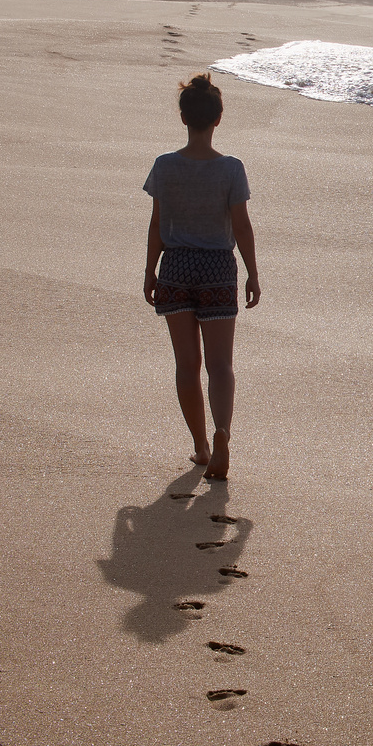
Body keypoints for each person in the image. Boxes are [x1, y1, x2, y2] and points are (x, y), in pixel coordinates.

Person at [143, 74, 260, 481]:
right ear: (218, 119)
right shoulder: (231, 169)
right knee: (221, 365)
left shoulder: (165, 166)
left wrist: (149, 271)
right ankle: (222, 431)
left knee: (186, 365)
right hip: (217, 269)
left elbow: (158, 223)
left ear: (183, 118)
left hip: (175, 267)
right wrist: (252, 272)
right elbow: (241, 227)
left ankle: (200, 446)